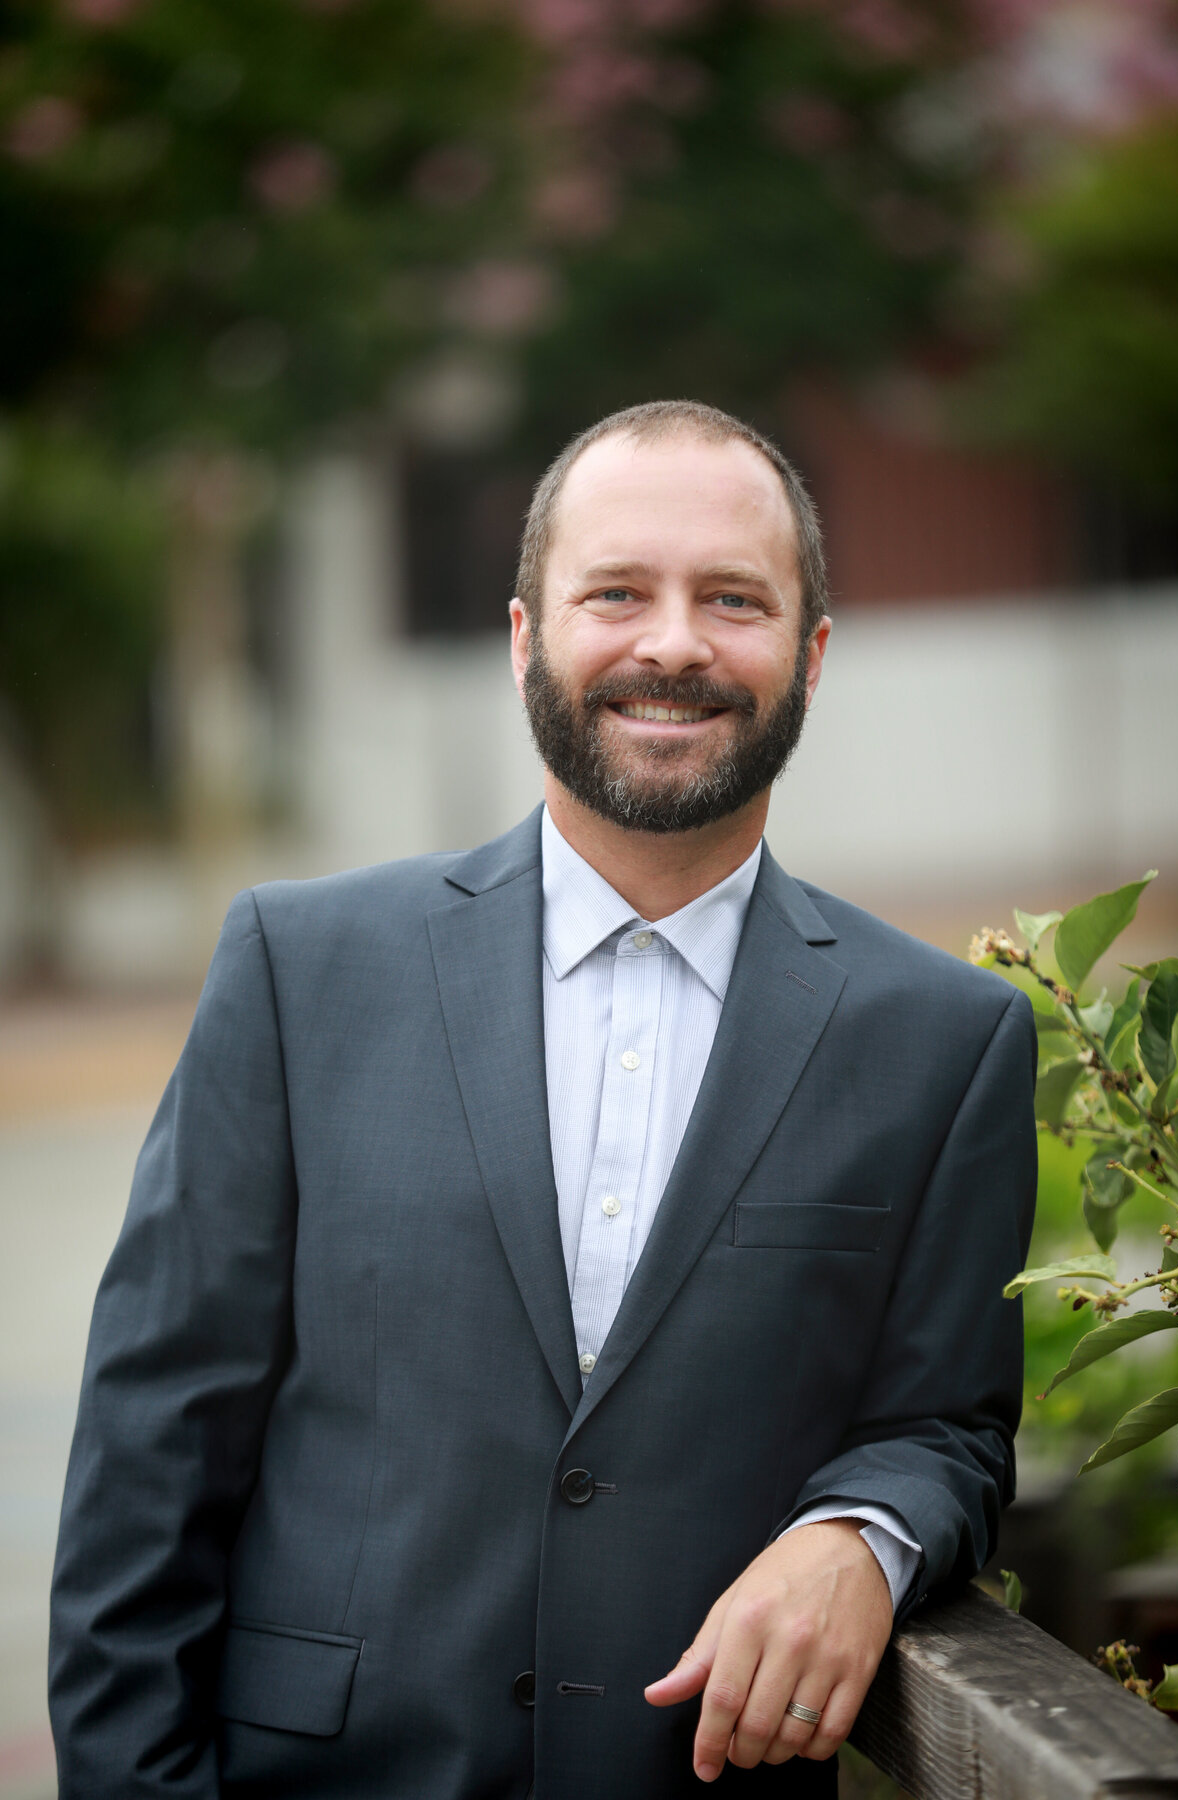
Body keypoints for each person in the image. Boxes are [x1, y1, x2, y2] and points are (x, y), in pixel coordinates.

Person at [49, 400, 1037, 1799]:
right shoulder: (297, 968)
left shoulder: (950, 1040)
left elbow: (950, 1428)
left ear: (812, 657)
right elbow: (154, 1451)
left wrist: (862, 1534)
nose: (676, 643)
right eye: (618, 592)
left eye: (734, 600)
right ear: (527, 641)